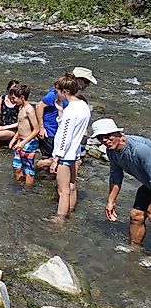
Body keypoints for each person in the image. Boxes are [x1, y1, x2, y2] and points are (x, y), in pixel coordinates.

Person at [94, 118, 151, 249]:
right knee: (136, 215)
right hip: (148, 184)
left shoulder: (139, 149)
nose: (104, 140)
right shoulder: (111, 151)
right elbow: (116, 176)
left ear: (118, 133)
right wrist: (110, 202)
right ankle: (134, 251)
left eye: (107, 136)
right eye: (100, 138)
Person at [36, 67, 97, 172]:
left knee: (58, 162)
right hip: (51, 131)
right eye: (86, 81)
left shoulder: (73, 96)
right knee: (52, 160)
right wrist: (41, 128)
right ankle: (34, 168)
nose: (88, 85)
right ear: (78, 79)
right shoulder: (58, 92)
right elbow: (39, 106)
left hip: (60, 131)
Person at [50, 73, 90, 219]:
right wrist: (60, 111)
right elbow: (73, 130)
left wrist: (56, 159)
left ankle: (59, 220)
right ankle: (70, 213)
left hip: (65, 155)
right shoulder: (83, 106)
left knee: (63, 191)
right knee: (72, 186)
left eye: (57, 92)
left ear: (65, 92)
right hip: (75, 153)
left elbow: (65, 136)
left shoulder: (71, 111)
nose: (56, 94)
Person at [8, 84, 40, 189]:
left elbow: (36, 129)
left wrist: (23, 142)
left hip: (29, 142)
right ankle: (18, 186)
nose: (12, 100)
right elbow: (21, 126)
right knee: (17, 166)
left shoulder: (29, 110)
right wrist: (14, 139)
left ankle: (27, 189)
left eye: (14, 98)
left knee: (28, 167)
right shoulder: (21, 107)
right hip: (20, 140)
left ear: (22, 97)